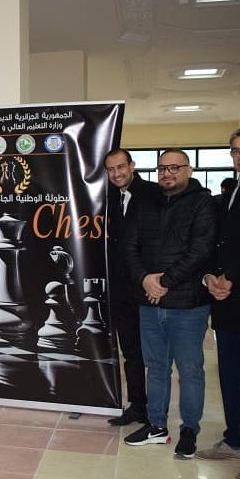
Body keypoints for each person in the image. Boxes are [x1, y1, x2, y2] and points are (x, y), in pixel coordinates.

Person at [124, 149, 216, 458]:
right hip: (149, 303)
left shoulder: (202, 202)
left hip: (188, 306)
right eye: (162, 168)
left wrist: (163, 282)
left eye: (175, 167)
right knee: (156, 367)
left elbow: (200, 250)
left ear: (189, 170)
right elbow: (130, 246)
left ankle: (189, 430)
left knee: (189, 371)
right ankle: (156, 426)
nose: (167, 173)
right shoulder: (145, 203)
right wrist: (144, 279)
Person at [195, 127, 240, 479]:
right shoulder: (233, 192)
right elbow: (221, 243)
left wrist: (231, 276)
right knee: (230, 377)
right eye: (235, 150)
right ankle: (234, 441)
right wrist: (210, 277)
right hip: (226, 304)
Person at [104, 148, 157, 426]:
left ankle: (157, 413)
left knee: (156, 357)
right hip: (121, 292)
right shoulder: (110, 198)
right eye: (111, 169)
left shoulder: (153, 194)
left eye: (121, 167)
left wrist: (155, 280)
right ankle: (138, 407)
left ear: (132, 165)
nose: (117, 174)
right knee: (131, 353)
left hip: (149, 289)